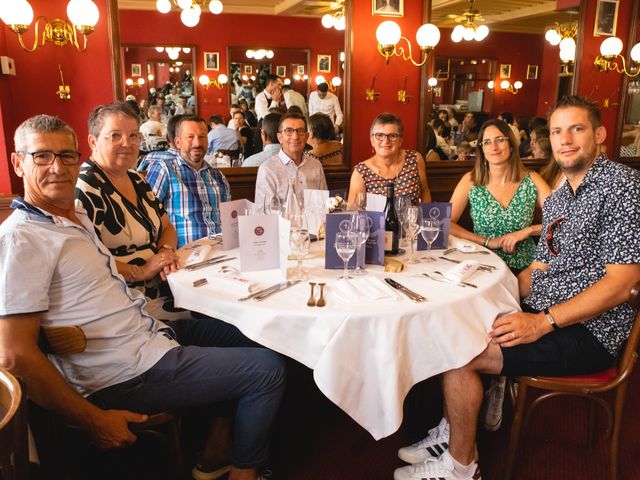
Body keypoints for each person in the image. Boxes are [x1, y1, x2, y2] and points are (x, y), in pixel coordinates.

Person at [0, 114, 286, 480]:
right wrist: (93, 420)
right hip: (126, 373)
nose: (57, 167)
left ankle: (217, 450)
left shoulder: (71, 219)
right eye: (41, 156)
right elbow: (14, 354)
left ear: (78, 157)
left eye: (66, 156)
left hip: (150, 335)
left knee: (265, 336)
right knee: (268, 371)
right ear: (17, 163)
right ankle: (243, 473)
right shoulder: (22, 238)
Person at [394, 95, 640, 480]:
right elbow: (539, 265)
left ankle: (460, 467)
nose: (565, 140)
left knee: (460, 351)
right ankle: (455, 432)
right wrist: (493, 292)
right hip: (545, 311)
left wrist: (541, 322)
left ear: (601, 134)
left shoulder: (621, 186)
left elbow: (623, 284)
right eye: (557, 131)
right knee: (452, 326)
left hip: (588, 332)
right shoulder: (560, 196)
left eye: (577, 129)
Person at [75, 102, 190, 322]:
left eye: (133, 136)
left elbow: (166, 226)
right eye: (115, 135)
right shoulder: (85, 188)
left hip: (167, 290)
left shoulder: (136, 178)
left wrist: (165, 252)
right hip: (129, 308)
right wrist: (142, 271)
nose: (126, 143)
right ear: (93, 141)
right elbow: (86, 260)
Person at [448, 119, 551, 274]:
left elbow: (562, 221)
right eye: (487, 142)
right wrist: (489, 242)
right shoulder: (471, 180)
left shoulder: (532, 179)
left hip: (525, 268)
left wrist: (527, 231)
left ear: (511, 145)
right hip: (482, 264)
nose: (494, 147)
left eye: (500, 140)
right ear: (481, 149)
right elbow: (446, 223)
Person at [146, 115, 230, 248]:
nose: (197, 143)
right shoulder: (164, 170)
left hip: (222, 252)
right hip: (184, 255)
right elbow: (147, 218)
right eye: (190, 137)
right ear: (178, 142)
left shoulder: (218, 176)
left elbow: (228, 220)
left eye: (202, 137)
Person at [347, 113, 431, 205]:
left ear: (400, 140)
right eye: (379, 135)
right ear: (372, 140)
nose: (386, 141)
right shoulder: (361, 172)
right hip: (374, 220)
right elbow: (354, 212)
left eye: (392, 136)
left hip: (411, 219)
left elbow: (425, 193)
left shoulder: (415, 159)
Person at [254, 112, 327, 210]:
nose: (295, 137)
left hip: (313, 224)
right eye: (289, 131)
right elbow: (263, 213)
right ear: (280, 137)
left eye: (300, 131)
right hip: (280, 225)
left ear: (306, 137)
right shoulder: (268, 170)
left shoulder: (316, 165)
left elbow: (323, 205)